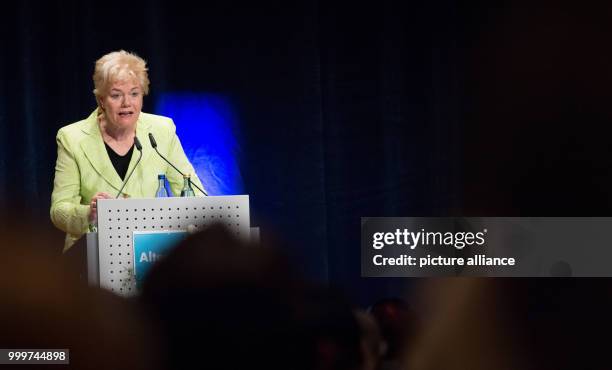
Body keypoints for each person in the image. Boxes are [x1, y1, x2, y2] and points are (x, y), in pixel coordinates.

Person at [50, 50, 205, 252]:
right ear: (102, 100)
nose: (127, 103)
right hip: (94, 254)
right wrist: (89, 213)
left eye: (134, 93)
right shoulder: (72, 138)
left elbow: (193, 193)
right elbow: (59, 210)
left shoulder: (162, 130)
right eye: (116, 95)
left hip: (151, 251)